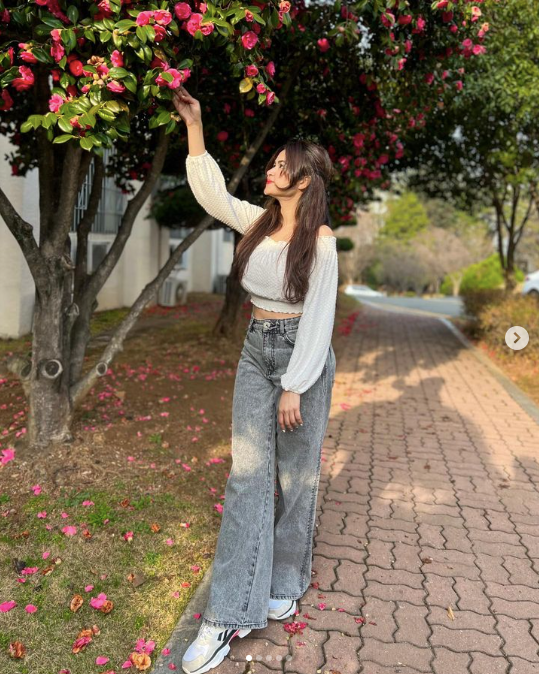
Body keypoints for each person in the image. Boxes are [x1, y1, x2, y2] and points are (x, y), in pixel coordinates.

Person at [172, 84, 338, 674]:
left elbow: (320, 314)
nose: (269, 170)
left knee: (297, 477)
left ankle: (287, 579)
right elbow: (211, 193)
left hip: (302, 360)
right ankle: (227, 614)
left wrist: (296, 381)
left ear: (304, 181)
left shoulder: (320, 242)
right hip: (255, 352)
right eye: (271, 164)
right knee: (247, 477)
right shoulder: (258, 223)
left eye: (279, 166)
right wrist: (195, 123)